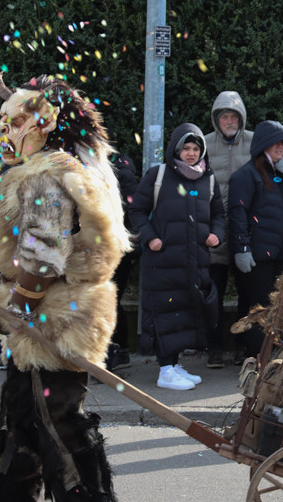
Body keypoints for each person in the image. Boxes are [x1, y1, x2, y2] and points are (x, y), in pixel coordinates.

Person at [0, 74, 130, 502]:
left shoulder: (44, 175)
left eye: (13, 121)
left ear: (44, 123)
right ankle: (6, 501)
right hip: (54, 306)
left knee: (54, 412)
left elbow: (43, 253)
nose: (1, 129)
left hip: (55, 312)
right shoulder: (58, 167)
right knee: (20, 406)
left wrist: (21, 308)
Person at [130, 124, 225, 391]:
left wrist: (217, 234)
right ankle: (165, 370)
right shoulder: (157, 175)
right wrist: (150, 237)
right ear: (176, 149)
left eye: (196, 149)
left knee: (184, 313)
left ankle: (174, 365)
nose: (191, 153)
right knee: (164, 311)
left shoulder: (208, 178)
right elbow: (137, 210)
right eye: (186, 148)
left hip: (194, 261)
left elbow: (218, 214)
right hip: (162, 262)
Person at [228, 120, 283, 360]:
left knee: (278, 306)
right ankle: (257, 357)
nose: (280, 147)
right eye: (275, 143)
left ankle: (268, 353)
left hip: (282, 254)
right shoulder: (245, 175)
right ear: (262, 145)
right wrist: (242, 248)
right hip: (257, 256)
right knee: (258, 307)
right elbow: (237, 212)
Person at [204, 92, 254, 368]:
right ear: (217, 119)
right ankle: (214, 348)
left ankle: (243, 346)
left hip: (245, 231)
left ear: (241, 118)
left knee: (248, 293)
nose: (230, 120)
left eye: (234, 116)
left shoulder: (255, 141)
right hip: (214, 230)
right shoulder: (203, 143)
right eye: (224, 116)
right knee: (213, 293)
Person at [106, 150, 140, 373]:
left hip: (117, 246)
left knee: (110, 297)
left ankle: (116, 350)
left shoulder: (122, 172)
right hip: (108, 244)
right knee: (109, 297)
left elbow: (130, 207)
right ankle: (118, 350)